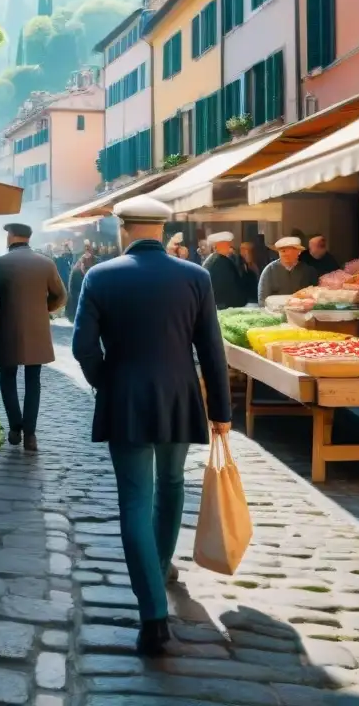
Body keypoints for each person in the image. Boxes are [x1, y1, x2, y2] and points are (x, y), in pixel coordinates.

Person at [71, 195, 231, 656]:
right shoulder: (196, 276)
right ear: (163, 229)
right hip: (180, 396)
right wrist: (221, 410)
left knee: (134, 501)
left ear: (123, 227)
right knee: (173, 483)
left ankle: (153, 614)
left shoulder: (100, 276)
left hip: (126, 399)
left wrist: (107, 381)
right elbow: (212, 351)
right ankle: (159, 567)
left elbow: (84, 347)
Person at [0, 223, 67, 451]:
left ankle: (15, 427)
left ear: (10, 237)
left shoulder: (0, 264)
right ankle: (30, 435)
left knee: (7, 378)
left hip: (7, 327)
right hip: (37, 329)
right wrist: (44, 309)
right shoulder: (46, 263)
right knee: (33, 381)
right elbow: (61, 295)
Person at [257, 236, 319, 306]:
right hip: (276, 313)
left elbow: (316, 297)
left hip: (301, 314)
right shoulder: (269, 271)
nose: (285, 254)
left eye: (289, 250)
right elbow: (262, 299)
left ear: (298, 252)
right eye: (282, 251)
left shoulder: (309, 271)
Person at [202, 232, 246, 310]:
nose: (229, 247)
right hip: (223, 306)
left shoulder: (214, 259)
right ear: (219, 246)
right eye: (227, 244)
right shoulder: (220, 262)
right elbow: (227, 286)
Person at [66, 251, 96, 322]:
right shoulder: (76, 273)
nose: (87, 270)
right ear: (81, 265)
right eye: (86, 267)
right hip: (76, 306)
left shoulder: (93, 272)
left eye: (89, 267)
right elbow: (73, 293)